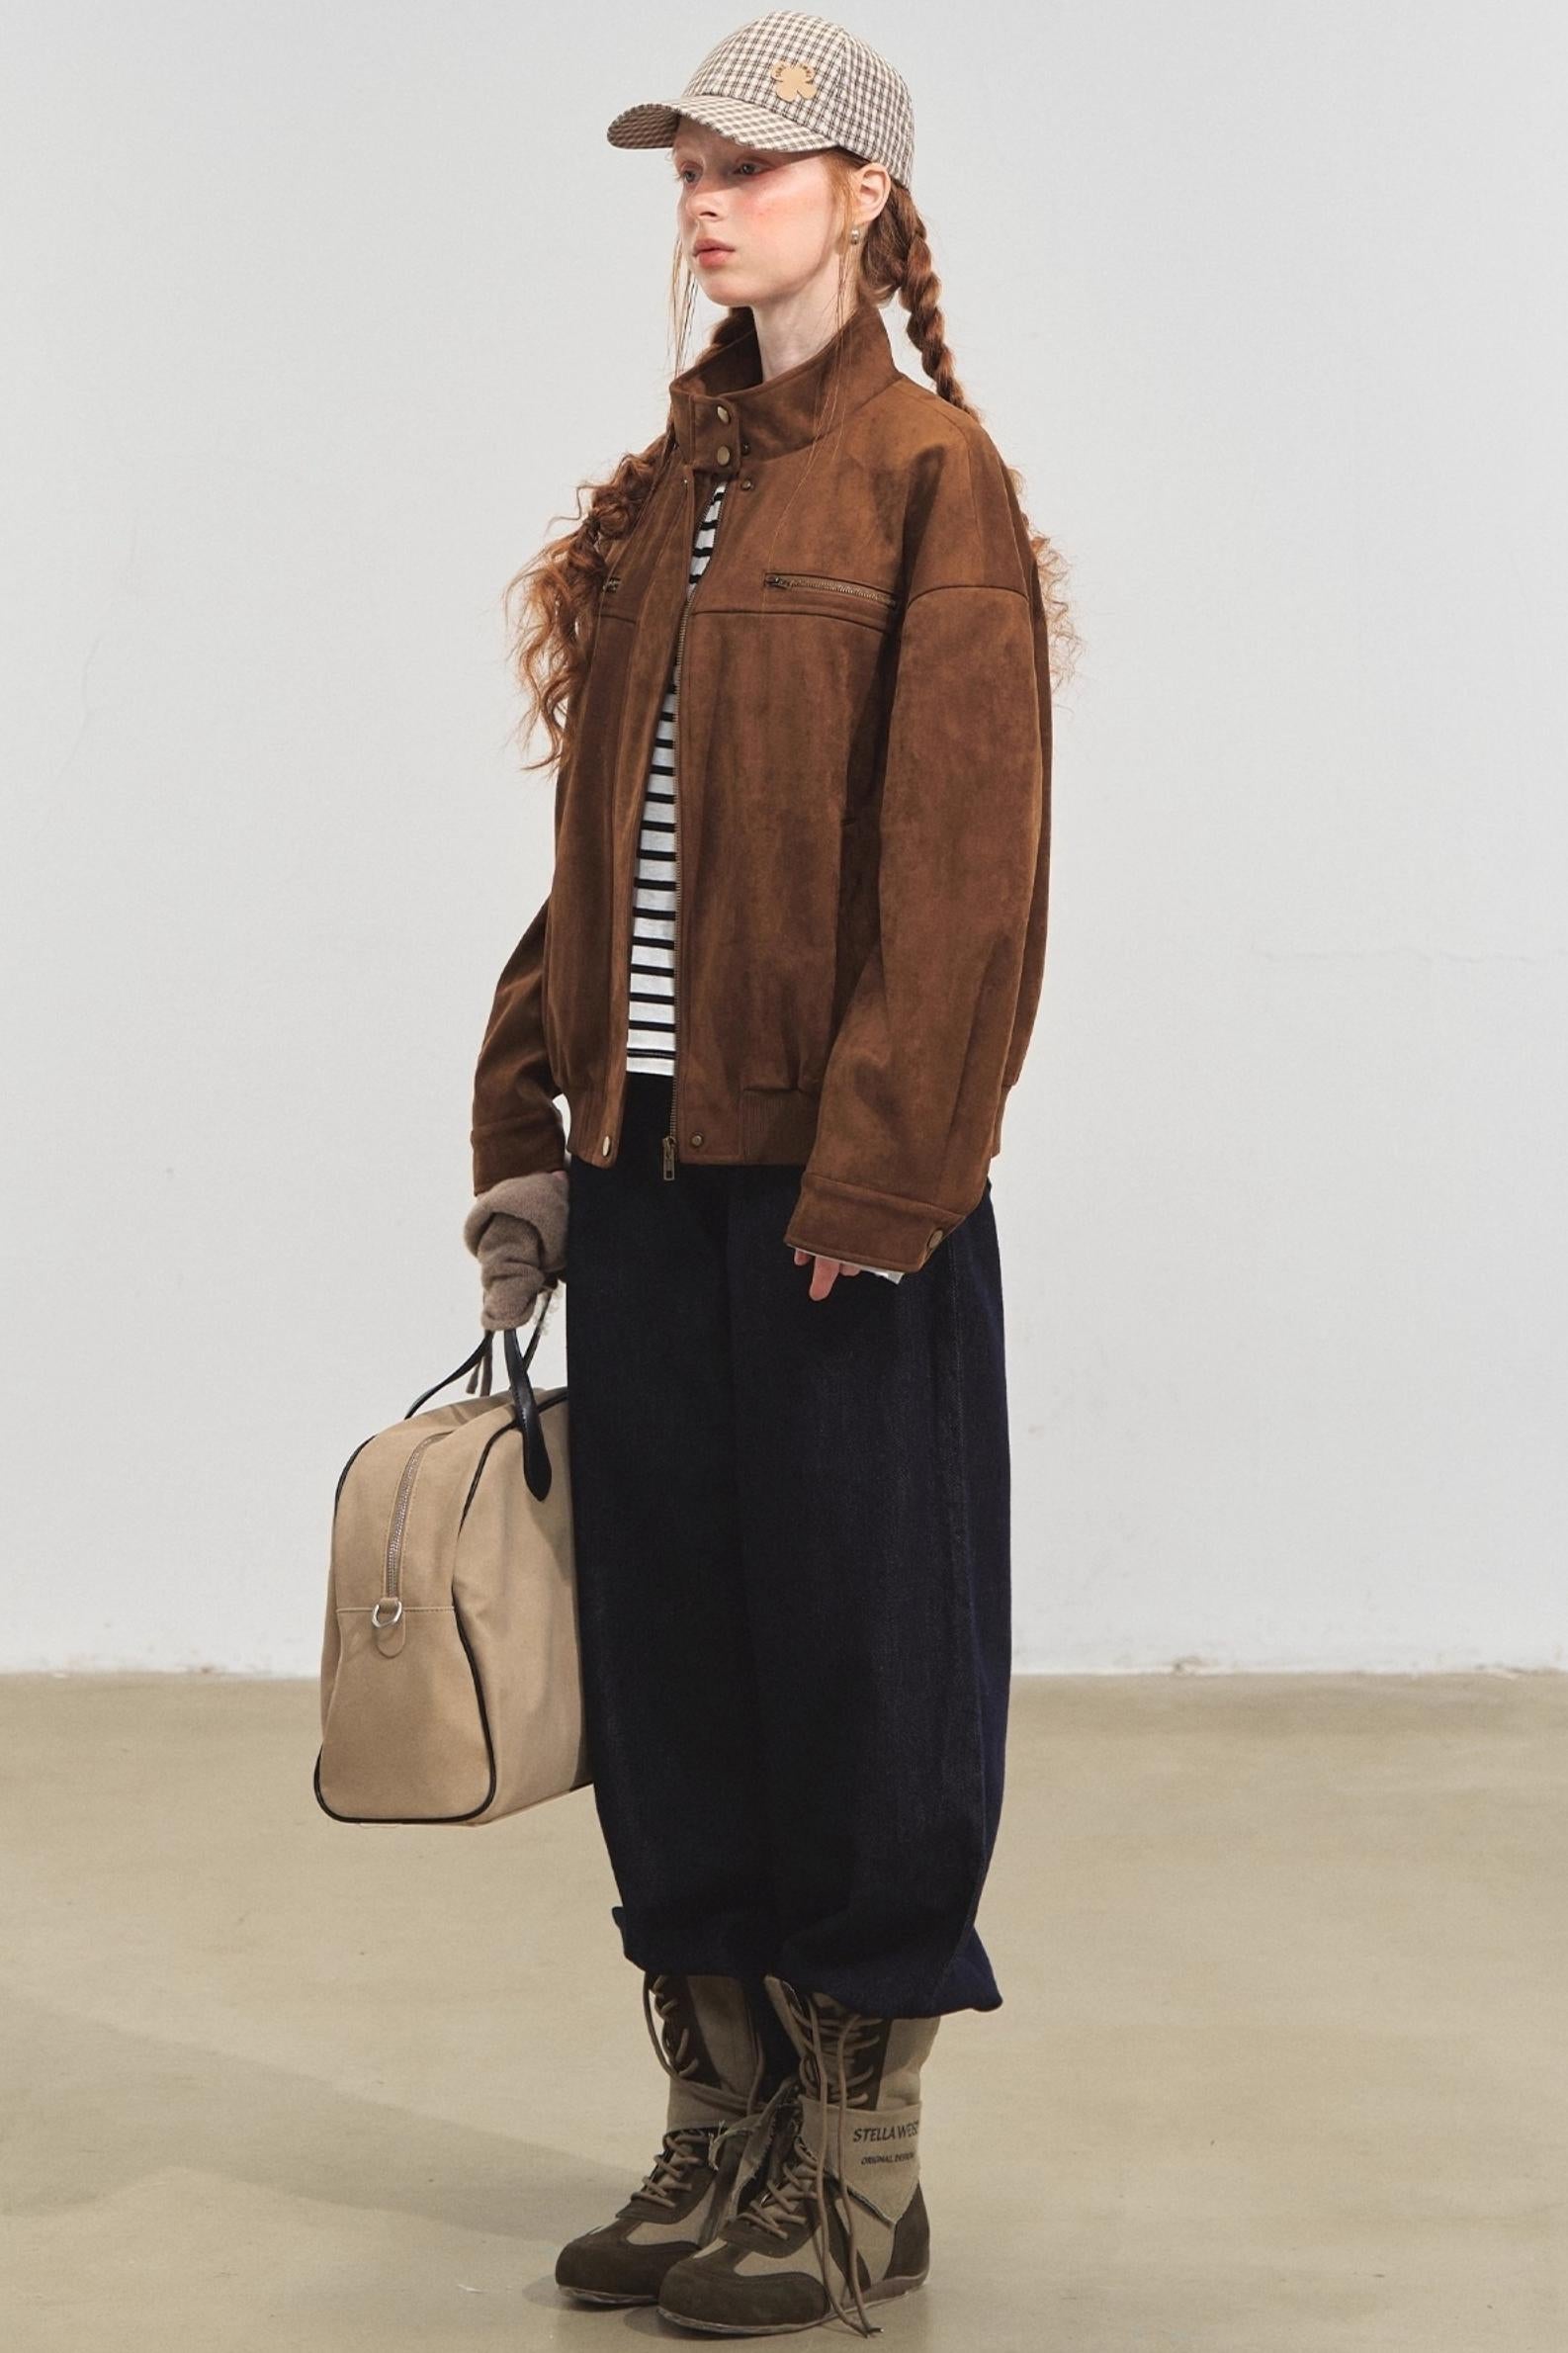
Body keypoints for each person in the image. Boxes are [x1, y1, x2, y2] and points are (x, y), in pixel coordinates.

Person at [461, 11, 1071, 2336]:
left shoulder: (929, 479)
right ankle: (720, 2122)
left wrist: (887, 1174)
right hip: (648, 1178)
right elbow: (595, 861)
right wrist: (531, 1140)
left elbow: (966, 864)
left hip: (835, 1199)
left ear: (865, 202)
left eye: (752, 170)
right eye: (689, 173)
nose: (708, 206)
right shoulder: (671, 489)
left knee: (858, 1670)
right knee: (677, 1672)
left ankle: (859, 2170)